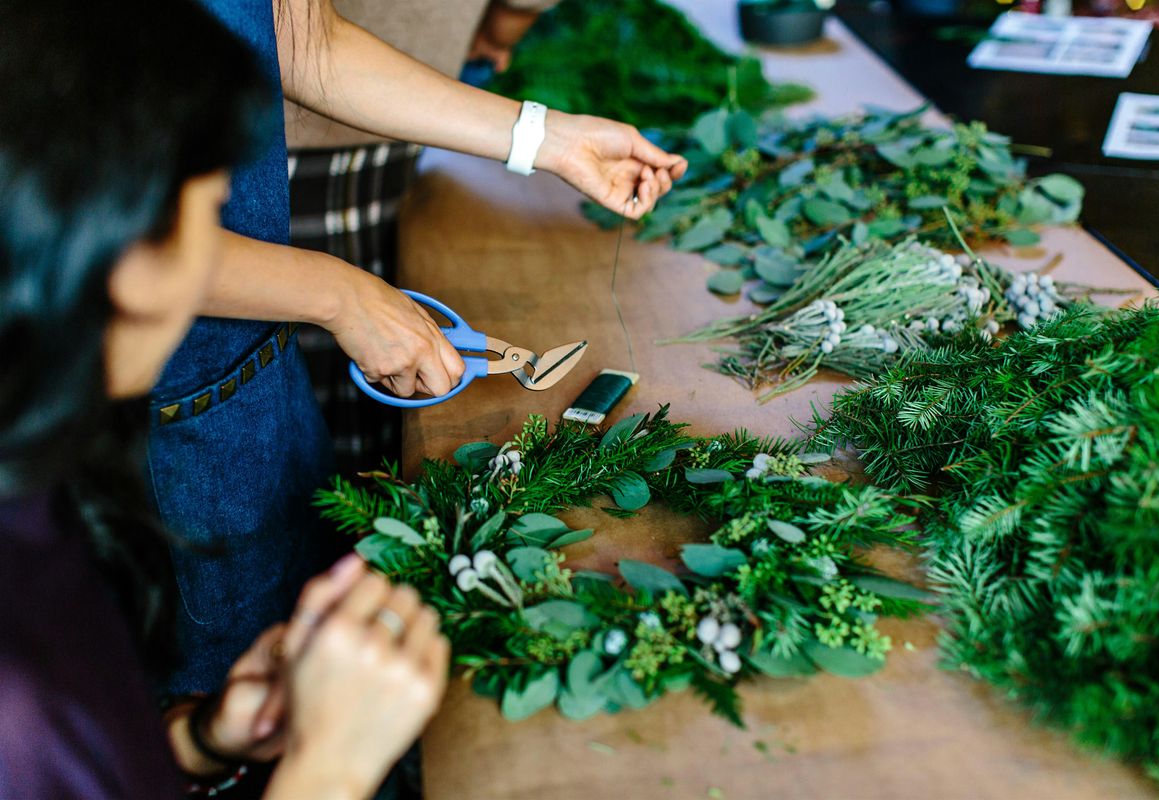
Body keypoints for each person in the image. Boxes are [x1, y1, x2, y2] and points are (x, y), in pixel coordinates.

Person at [155, 0, 687, 697]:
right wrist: (338, 293)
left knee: (288, 676)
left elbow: (304, 39)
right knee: (198, 709)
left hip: (257, 377)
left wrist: (547, 139)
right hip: (146, 432)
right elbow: (105, 241)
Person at [0, 1, 449, 796]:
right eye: (209, 222)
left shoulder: (46, 505)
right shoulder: (21, 707)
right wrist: (328, 768)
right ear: (120, 255)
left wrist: (201, 738)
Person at [286, 0, 560, 469]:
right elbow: (306, 47)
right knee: (325, 371)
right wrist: (500, 33)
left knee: (314, 355)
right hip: (367, 100)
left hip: (350, 99)